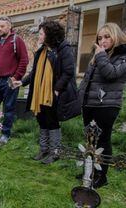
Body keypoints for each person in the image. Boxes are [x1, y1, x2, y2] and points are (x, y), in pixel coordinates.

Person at [18, 20, 75, 164]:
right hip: (39, 93)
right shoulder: (42, 51)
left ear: (50, 34)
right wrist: (22, 82)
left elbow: (68, 72)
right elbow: (35, 72)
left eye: (42, 33)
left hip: (53, 93)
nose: (40, 35)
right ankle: (44, 149)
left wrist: (57, 89)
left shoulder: (63, 49)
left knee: (52, 121)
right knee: (42, 120)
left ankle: (55, 152)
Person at [78, 22, 126, 188]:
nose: (102, 41)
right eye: (100, 38)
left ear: (116, 36)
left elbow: (111, 74)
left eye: (107, 37)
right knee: (90, 141)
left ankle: (101, 175)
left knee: (103, 140)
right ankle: (89, 171)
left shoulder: (122, 56)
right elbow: (87, 80)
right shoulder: (99, 55)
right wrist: (80, 99)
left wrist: (100, 56)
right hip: (90, 103)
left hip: (107, 105)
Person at [0, 16, 29, 142]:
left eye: (2, 26)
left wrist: (16, 77)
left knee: (9, 108)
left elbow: (24, 60)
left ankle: (5, 133)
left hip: (9, 80)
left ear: (9, 26)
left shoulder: (17, 40)